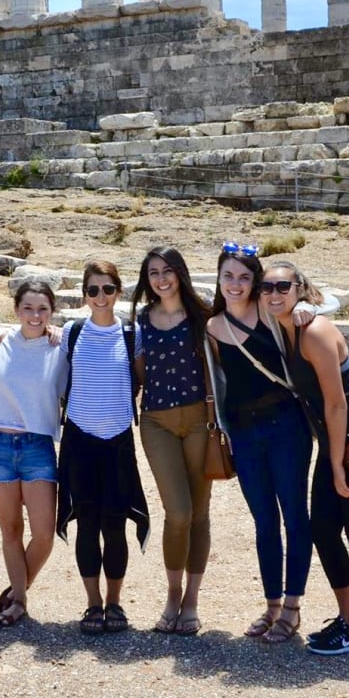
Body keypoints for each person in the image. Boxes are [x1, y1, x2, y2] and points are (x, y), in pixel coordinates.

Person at [262, 260, 349, 656]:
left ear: (299, 287)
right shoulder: (284, 327)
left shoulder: (313, 332)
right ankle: (348, 620)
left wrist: (336, 466)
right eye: (266, 287)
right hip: (334, 444)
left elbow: (336, 406)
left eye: (283, 286)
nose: (274, 294)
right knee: (323, 530)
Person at [205, 242, 312, 644]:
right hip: (245, 434)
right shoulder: (213, 327)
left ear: (256, 281)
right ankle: (271, 605)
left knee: (294, 517)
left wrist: (308, 309)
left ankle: (293, 606)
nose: (236, 284)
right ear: (218, 278)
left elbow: (316, 301)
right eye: (228, 276)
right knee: (264, 522)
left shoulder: (273, 311)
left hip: (286, 426)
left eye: (245, 277)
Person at [56, 259, 149, 634]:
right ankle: (92, 603)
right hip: (79, 439)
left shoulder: (132, 333)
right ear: (84, 294)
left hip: (117, 440)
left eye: (107, 289)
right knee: (86, 522)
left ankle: (114, 602)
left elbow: (140, 379)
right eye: (93, 290)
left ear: (119, 292)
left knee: (116, 524)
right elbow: (58, 374)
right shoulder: (71, 332)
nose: (100, 296)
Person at [129, 246, 214, 635]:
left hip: (199, 421)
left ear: (180, 272)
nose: (161, 279)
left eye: (167, 271)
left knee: (199, 512)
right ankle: (172, 594)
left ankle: (192, 599)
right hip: (157, 423)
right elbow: (139, 373)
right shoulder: (141, 321)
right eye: (153, 273)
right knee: (177, 512)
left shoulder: (204, 316)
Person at [0, 279, 67, 627]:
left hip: (37, 445)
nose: (35, 315)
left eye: (42, 309)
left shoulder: (60, 347)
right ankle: (20, 602)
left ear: (52, 312)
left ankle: (15, 591)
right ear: (16, 310)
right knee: (11, 531)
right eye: (28, 308)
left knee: (44, 533)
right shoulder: (0, 340)